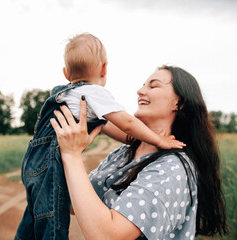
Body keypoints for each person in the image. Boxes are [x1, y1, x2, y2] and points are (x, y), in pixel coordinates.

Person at [15, 34, 184, 240]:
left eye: (153, 85)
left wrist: (143, 139)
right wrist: (158, 140)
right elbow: (127, 123)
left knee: (35, 215)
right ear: (104, 69)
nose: (140, 90)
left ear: (66, 73)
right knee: (52, 221)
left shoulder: (65, 95)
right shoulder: (94, 93)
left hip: (31, 164)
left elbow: (112, 128)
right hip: (50, 163)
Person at [51, 65, 229, 239]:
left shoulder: (171, 169)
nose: (140, 91)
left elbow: (107, 236)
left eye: (153, 85)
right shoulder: (123, 153)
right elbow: (72, 204)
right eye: (143, 85)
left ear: (179, 102)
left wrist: (72, 156)